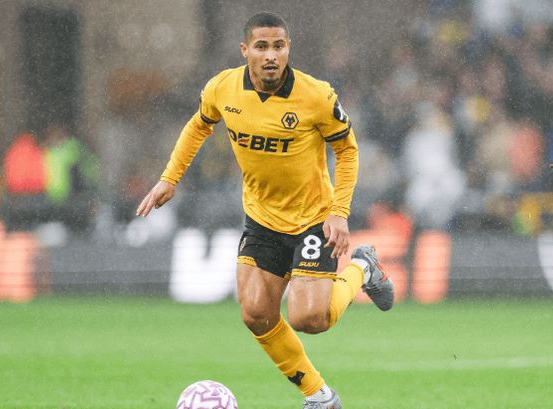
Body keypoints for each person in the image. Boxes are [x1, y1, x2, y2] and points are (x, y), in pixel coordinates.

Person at [137, 12, 394, 409]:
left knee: (310, 319)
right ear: (245, 50)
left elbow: (346, 149)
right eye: (262, 46)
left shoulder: (316, 95)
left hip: (312, 219)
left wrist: (339, 212)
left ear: (288, 49)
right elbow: (199, 125)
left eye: (279, 46)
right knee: (256, 314)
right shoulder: (223, 88)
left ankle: (363, 267)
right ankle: (320, 397)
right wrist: (170, 178)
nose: (271, 55)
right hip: (262, 219)